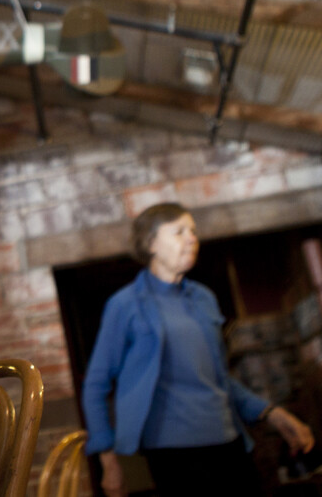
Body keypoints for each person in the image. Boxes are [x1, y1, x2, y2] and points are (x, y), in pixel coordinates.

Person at [81, 202, 315, 496]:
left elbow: (218, 377)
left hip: (229, 441)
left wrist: (272, 412)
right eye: (179, 231)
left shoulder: (204, 298)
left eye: (193, 231)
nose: (192, 238)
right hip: (173, 454)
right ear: (151, 244)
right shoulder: (126, 305)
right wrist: (107, 460)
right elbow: (96, 385)